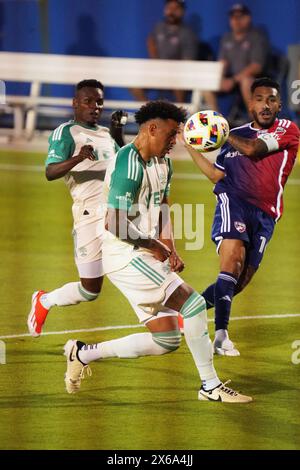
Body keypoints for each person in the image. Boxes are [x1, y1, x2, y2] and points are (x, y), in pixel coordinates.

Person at [63, 100, 252, 403]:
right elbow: (114, 224)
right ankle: (210, 386)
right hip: (125, 255)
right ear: (152, 129)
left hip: (142, 253)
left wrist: (171, 248)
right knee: (192, 305)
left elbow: (162, 207)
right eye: (172, 134)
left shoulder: (163, 162)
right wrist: (155, 246)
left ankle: (83, 354)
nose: (175, 141)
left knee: (166, 339)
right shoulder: (129, 163)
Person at [182, 77, 300, 355]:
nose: (265, 105)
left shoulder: (288, 130)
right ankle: (221, 337)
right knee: (232, 261)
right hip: (232, 201)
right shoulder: (235, 133)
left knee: (240, 281)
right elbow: (216, 175)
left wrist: (221, 131)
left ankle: (188, 310)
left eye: (271, 99)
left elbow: (254, 149)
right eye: (259, 99)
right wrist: (190, 145)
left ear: (279, 105)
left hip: (266, 215)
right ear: (250, 104)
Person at [27, 79, 127, 337]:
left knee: (138, 261)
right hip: (88, 216)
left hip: (116, 213)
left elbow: (121, 161)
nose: (95, 107)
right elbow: (50, 172)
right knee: (90, 290)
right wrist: (79, 157)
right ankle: (44, 301)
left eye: (99, 102)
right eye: (88, 101)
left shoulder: (105, 134)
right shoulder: (67, 132)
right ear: (75, 103)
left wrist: (116, 129)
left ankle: (170, 315)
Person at [131, 0, 198, 103]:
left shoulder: (188, 33)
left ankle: (179, 115)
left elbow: (187, 61)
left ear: (182, 11)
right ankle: (148, 112)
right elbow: (151, 41)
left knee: (179, 85)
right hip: (157, 70)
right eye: (169, 8)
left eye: (176, 9)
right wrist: (156, 63)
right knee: (134, 83)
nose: (171, 12)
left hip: (177, 73)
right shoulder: (159, 26)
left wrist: (170, 70)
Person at [218, 4, 270, 122]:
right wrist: (220, 77)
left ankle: (256, 122)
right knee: (209, 82)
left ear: (248, 18)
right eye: (233, 17)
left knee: (246, 82)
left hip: (255, 80)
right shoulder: (226, 38)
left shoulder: (256, 37)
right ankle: (217, 120)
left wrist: (233, 80)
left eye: (240, 17)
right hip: (233, 80)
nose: (236, 21)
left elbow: (256, 67)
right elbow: (223, 63)